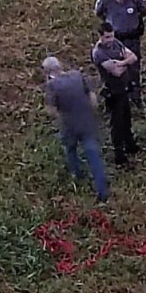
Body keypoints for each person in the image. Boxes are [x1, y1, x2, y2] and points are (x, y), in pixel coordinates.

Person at [43, 56, 109, 203]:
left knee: (70, 149)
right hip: (86, 122)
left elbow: (52, 110)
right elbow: (92, 97)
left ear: (47, 71)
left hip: (69, 125)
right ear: (60, 66)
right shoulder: (76, 75)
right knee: (93, 154)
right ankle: (102, 189)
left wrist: (59, 114)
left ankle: (77, 174)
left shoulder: (52, 85)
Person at [91, 21, 142, 168]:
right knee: (117, 124)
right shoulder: (99, 53)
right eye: (107, 37)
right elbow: (116, 72)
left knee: (127, 119)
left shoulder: (116, 43)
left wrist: (120, 62)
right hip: (113, 91)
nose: (110, 40)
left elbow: (133, 57)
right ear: (100, 36)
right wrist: (124, 63)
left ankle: (130, 145)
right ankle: (119, 155)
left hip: (124, 88)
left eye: (111, 36)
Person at [95, 0, 146, 108]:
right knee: (110, 70)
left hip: (131, 37)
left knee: (134, 68)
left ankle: (135, 96)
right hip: (114, 38)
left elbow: (143, 11)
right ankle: (112, 98)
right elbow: (99, 13)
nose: (122, 0)